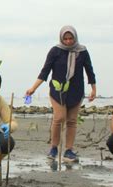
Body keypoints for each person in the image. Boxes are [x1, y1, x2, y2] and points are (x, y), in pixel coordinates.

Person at [26, 25, 96, 162]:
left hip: (76, 91)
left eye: (71, 38)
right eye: (66, 39)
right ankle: (53, 148)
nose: (69, 41)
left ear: (75, 38)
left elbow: (89, 70)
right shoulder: (55, 51)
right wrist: (33, 88)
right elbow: (45, 71)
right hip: (58, 90)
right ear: (61, 38)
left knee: (71, 121)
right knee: (59, 118)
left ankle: (69, 151)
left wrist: (94, 89)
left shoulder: (82, 51)